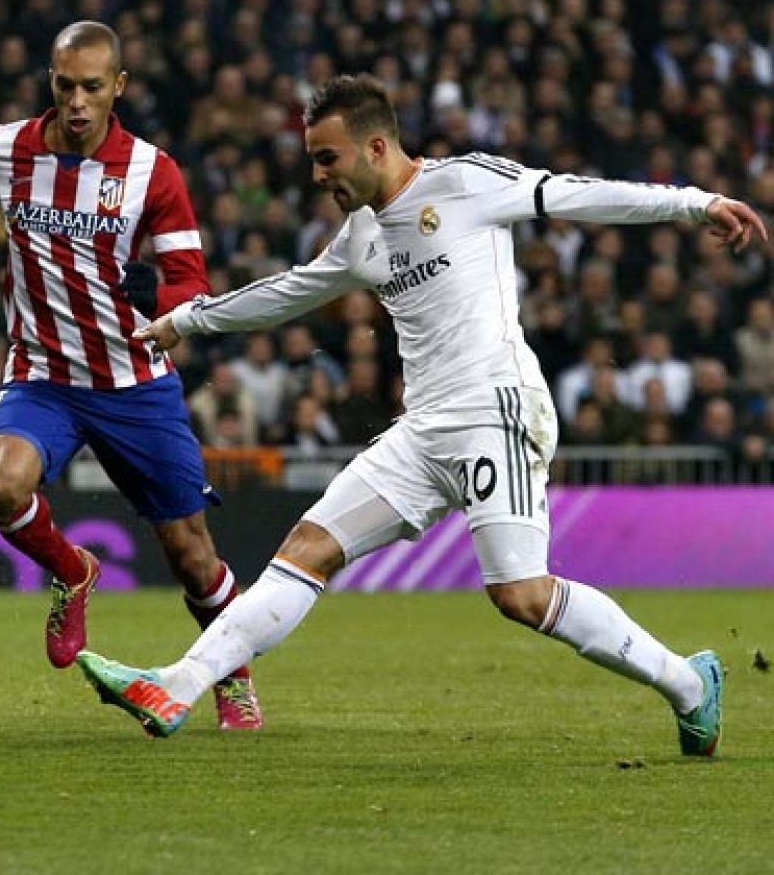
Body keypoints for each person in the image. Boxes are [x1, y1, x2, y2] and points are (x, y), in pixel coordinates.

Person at [78, 75, 765, 756]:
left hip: (496, 407)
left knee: (521, 594)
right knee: (307, 548)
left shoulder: (465, 183)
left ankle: (688, 682)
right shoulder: (361, 235)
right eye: (313, 160)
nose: (318, 176)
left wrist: (693, 203)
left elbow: (575, 194)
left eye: (327, 158)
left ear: (376, 147)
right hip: (423, 429)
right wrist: (187, 321)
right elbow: (291, 290)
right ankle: (177, 685)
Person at [0, 21, 261, 730]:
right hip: (41, 375)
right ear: (50, 81)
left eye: (92, 87)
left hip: (134, 380)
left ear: (119, 87)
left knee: (191, 554)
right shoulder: (2, 149)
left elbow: (191, 282)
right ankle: (74, 571)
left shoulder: (152, 171)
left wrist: (159, 292)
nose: (77, 101)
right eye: (65, 85)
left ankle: (232, 679)